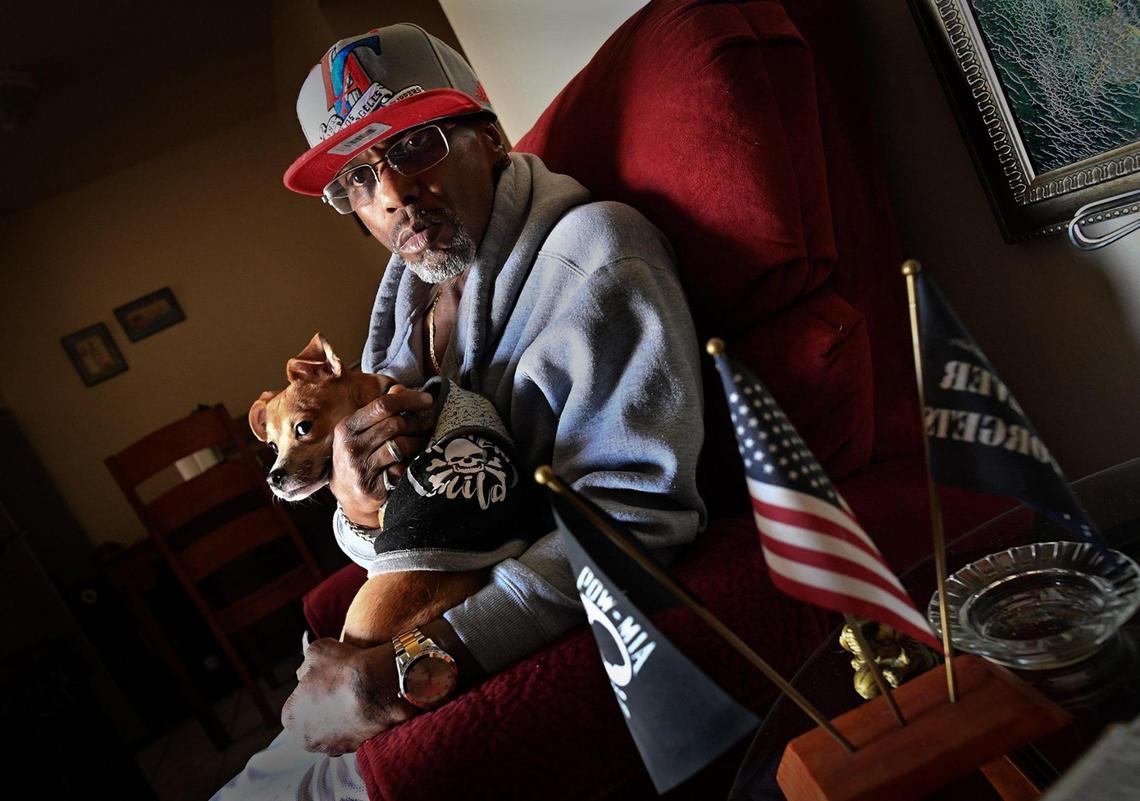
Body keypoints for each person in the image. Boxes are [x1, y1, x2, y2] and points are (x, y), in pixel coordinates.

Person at [213, 22, 704, 800]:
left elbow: (639, 526)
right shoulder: (406, 308)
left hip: (485, 651)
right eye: (360, 179)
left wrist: (406, 668)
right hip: (414, 619)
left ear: (492, 138)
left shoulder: (600, 259)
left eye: (416, 145)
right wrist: (356, 509)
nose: (393, 195)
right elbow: (407, 525)